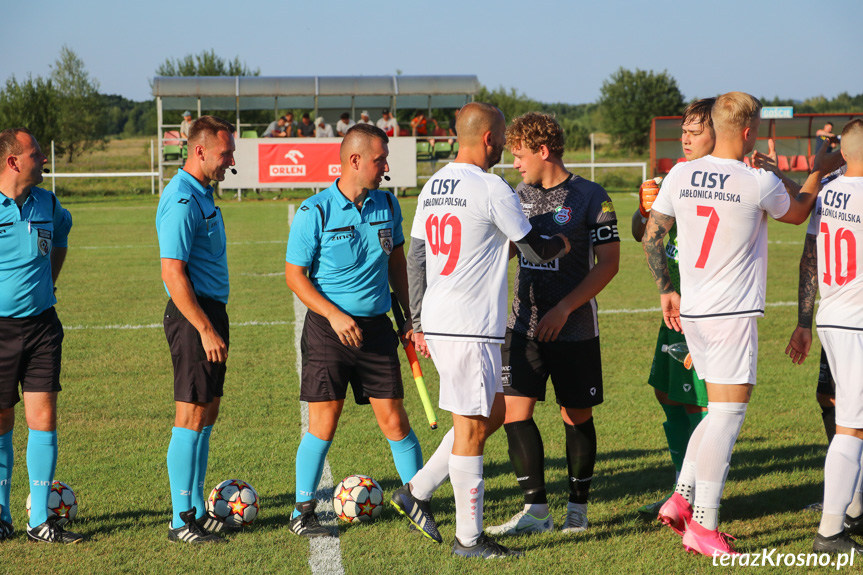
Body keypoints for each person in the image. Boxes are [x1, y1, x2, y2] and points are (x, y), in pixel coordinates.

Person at [644, 92, 826, 556]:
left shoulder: (680, 173)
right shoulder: (756, 180)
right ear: (749, 132)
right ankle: (704, 526)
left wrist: (667, 288)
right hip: (732, 313)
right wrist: (818, 171)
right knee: (728, 415)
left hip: (695, 312)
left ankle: (681, 499)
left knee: (715, 412)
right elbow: (800, 210)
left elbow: (651, 236)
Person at [391, 102, 570, 559]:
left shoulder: (433, 184)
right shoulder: (492, 187)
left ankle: (416, 490)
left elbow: (416, 256)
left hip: (441, 318)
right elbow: (533, 248)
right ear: (489, 138)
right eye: (502, 138)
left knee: (490, 412)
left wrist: (416, 323)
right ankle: (469, 538)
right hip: (471, 326)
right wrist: (567, 241)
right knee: (472, 429)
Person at [285, 123, 423, 537]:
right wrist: (334, 315)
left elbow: (397, 266)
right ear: (355, 160)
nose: (386, 167)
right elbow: (295, 277)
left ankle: (420, 499)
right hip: (329, 331)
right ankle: (302, 511)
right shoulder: (315, 211)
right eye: (380, 159)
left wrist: (408, 318)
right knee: (323, 424)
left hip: (377, 330)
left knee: (395, 421)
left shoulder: (388, 204)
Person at [486, 112, 619, 537]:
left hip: (574, 328)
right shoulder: (515, 194)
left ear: (543, 151)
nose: (516, 164)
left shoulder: (591, 196)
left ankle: (576, 510)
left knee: (575, 415)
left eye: (521, 155)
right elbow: (507, 250)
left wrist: (564, 309)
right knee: (514, 413)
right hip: (522, 323)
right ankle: (536, 510)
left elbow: (610, 264)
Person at [630, 99, 715, 518]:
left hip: (704, 312)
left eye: (695, 131)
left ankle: (697, 498)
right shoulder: (676, 176)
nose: (685, 138)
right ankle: (680, 489)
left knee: (701, 404)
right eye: (683, 130)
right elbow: (641, 234)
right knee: (668, 395)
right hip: (674, 312)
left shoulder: (724, 180)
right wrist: (643, 209)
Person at [156, 115, 236, 544]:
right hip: (193, 318)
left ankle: (197, 511)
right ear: (200, 150)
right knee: (189, 414)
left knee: (207, 411)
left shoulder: (202, 193)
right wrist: (203, 328)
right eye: (225, 153)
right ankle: (179, 517)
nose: (231, 161)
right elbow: (173, 272)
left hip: (210, 314)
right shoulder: (183, 198)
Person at [786, 119, 863, 554]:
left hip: (833, 317)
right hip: (857, 323)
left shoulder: (830, 190)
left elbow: (809, 258)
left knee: (853, 423)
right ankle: (831, 531)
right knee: (852, 429)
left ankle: (852, 508)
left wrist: (803, 318)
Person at [0, 128, 78, 544]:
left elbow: (62, 234)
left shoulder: (48, 202)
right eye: (36, 154)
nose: (44, 159)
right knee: (1, 422)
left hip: (43, 327)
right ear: (14, 161)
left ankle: (40, 521)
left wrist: (49, 282)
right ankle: (1, 513)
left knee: (43, 420)